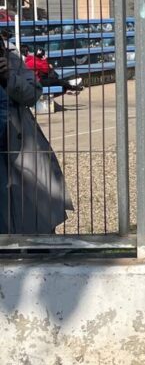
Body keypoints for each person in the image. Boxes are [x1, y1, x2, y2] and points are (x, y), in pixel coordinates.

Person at [0, 33, 72, 233]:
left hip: (18, 145)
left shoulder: (9, 55)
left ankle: (40, 245)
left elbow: (33, 94)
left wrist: (8, 78)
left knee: (34, 215)